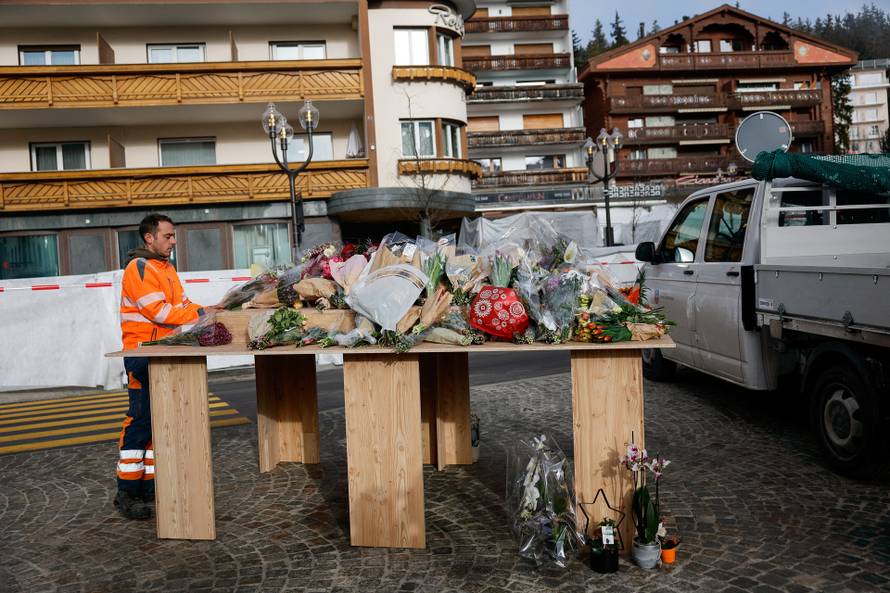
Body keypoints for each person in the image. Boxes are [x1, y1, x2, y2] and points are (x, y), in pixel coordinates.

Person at [115, 213, 215, 520]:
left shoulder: (166, 267)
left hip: (163, 352)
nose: (174, 241)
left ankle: (150, 486)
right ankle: (127, 492)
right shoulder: (139, 267)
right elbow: (157, 311)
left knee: (160, 420)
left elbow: (182, 305)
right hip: (142, 353)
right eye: (168, 236)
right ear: (149, 238)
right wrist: (200, 312)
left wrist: (207, 310)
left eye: (173, 236)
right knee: (141, 418)